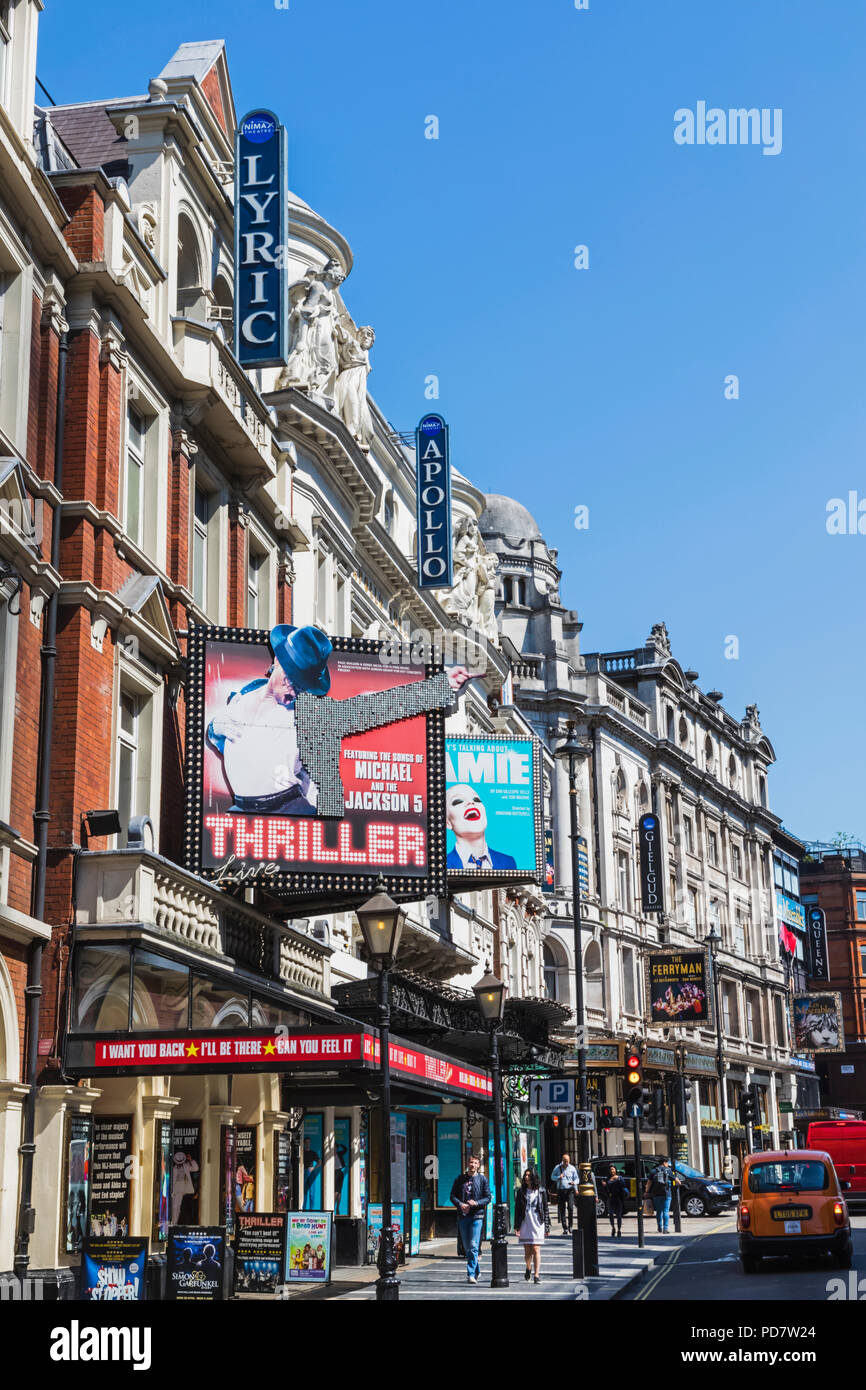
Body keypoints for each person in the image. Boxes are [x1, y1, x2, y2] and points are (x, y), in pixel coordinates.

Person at [445, 784, 517, 870]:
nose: (471, 802)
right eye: (458, 801)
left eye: (476, 799)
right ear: (447, 822)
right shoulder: (443, 864)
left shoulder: (508, 862)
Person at [449, 1153, 491, 1284]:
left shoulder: (483, 1179)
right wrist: (460, 1204)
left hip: (477, 1216)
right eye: (471, 1162)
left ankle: (470, 1274)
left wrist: (477, 1203)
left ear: (478, 1165)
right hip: (463, 1216)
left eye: (475, 1163)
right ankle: (477, 1270)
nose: (472, 1165)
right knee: (468, 1247)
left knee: (473, 1245)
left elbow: (488, 1197)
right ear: (467, 1164)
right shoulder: (459, 1179)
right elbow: (452, 1196)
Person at [514, 1168, 550, 1284]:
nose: (526, 1177)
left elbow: (545, 1209)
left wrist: (547, 1226)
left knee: (536, 1249)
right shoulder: (521, 1192)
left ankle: (536, 1275)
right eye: (525, 1175)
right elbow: (518, 1210)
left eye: (529, 1175)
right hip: (525, 1222)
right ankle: (528, 1267)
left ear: (533, 1177)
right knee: (527, 1251)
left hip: (538, 1222)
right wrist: (517, 1226)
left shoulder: (541, 1191)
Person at [550, 1152, 579, 1234]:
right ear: (562, 1160)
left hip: (569, 1191)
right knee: (562, 1209)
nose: (566, 1163)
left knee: (570, 1208)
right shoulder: (557, 1168)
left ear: (569, 1160)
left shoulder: (572, 1168)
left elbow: (577, 1179)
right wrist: (558, 1177)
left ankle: (570, 1226)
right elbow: (552, 1177)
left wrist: (574, 1184)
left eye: (567, 1161)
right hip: (561, 1191)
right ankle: (565, 1227)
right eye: (564, 1161)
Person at [645, 1157, 675, 1234]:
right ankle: (665, 1228)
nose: (668, 1164)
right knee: (666, 1211)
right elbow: (676, 1180)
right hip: (666, 1194)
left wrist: (646, 1192)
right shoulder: (668, 1170)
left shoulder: (653, 1171)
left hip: (656, 1194)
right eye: (667, 1163)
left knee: (659, 1211)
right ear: (664, 1162)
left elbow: (649, 1183)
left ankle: (659, 1227)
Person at [603, 1165, 629, 1238]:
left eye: (613, 1169)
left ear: (616, 1170)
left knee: (619, 1215)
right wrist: (604, 1185)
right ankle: (613, 1228)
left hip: (618, 1198)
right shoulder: (607, 1179)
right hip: (610, 1198)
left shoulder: (619, 1178)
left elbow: (624, 1187)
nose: (612, 1171)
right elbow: (605, 1190)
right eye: (611, 1170)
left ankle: (619, 1230)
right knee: (610, 1214)